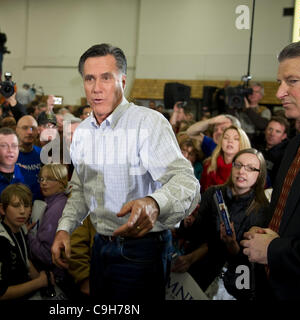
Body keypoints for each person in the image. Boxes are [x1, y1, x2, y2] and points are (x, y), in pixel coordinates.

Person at [51, 43, 200, 301]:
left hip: (142, 251)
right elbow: (79, 190)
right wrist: (65, 228)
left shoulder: (147, 123)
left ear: (122, 79)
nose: (96, 88)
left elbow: (186, 182)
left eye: (105, 78)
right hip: (99, 247)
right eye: (89, 78)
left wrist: (154, 202)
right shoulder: (84, 131)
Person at [240, 39, 300, 300]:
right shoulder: (296, 146)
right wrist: (264, 231)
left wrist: (273, 250)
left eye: (292, 81)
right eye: (279, 83)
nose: (280, 93)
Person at [194, 148, 270, 300]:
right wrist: (188, 224)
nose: (242, 171)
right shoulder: (213, 193)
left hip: (235, 282)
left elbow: (251, 262)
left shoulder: (263, 209)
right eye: (238, 165)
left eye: (250, 168)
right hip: (201, 273)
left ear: (259, 174)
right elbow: (197, 235)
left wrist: (232, 246)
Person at [0, 183, 52, 300]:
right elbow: (0, 294)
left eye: (27, 205)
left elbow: (25, 261)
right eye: (16, 205)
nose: (23, 211)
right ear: (2, 209)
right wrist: (39, 282)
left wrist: (42, 278)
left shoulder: (20, 229)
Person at [28, 164, 69, 289]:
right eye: (41, 179)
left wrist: (26, 235)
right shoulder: (50, 202)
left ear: (62, 183)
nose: (43, 183)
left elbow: (47, 255)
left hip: (54, 278)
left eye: (50, 179)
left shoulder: (57, 208)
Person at [200, 125, 251, 193]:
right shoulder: (209, 164)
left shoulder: (250, 169)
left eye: (236, 139)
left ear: (243, 143)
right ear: (221, 142)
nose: (230, 141)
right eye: (226, 138)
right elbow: (201, 192)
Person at [16, 115, 43, 201]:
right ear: (16, 130)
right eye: (25, 128)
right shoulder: (9, 155)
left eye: (33, 128)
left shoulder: (43, 154)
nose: (30, 132)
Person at [260, 116, 289, 186]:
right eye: (270, 129)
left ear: (284, 136)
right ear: (265, 130)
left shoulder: (285, 156)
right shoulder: (256, 146)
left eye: (278, 131)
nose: (272, 134)